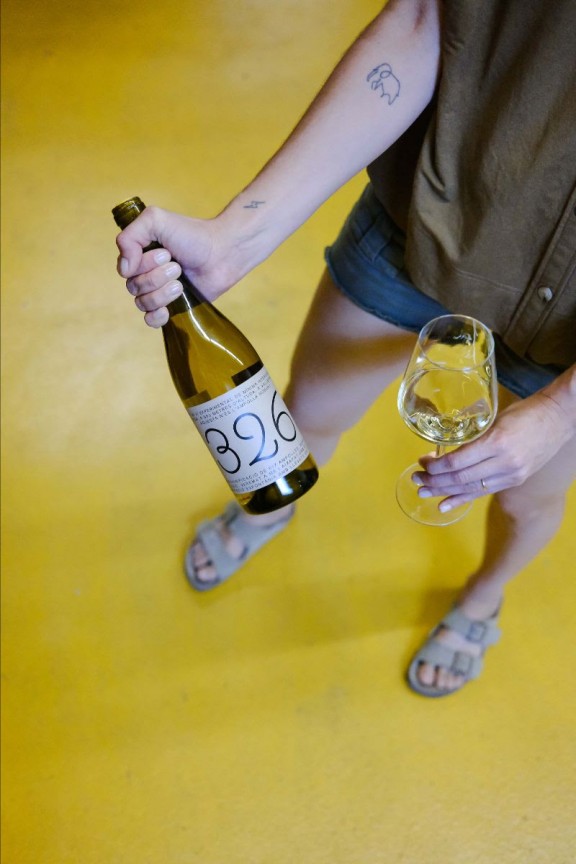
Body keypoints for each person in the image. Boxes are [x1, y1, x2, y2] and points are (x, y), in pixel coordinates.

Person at [116, 0, 576, 697]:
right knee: (305, 414)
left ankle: (483, 597)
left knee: (526, 499)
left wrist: (563, 411)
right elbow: (424, 18)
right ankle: (272, 506)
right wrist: (235, 239)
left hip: (567, 331)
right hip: (427, 224)